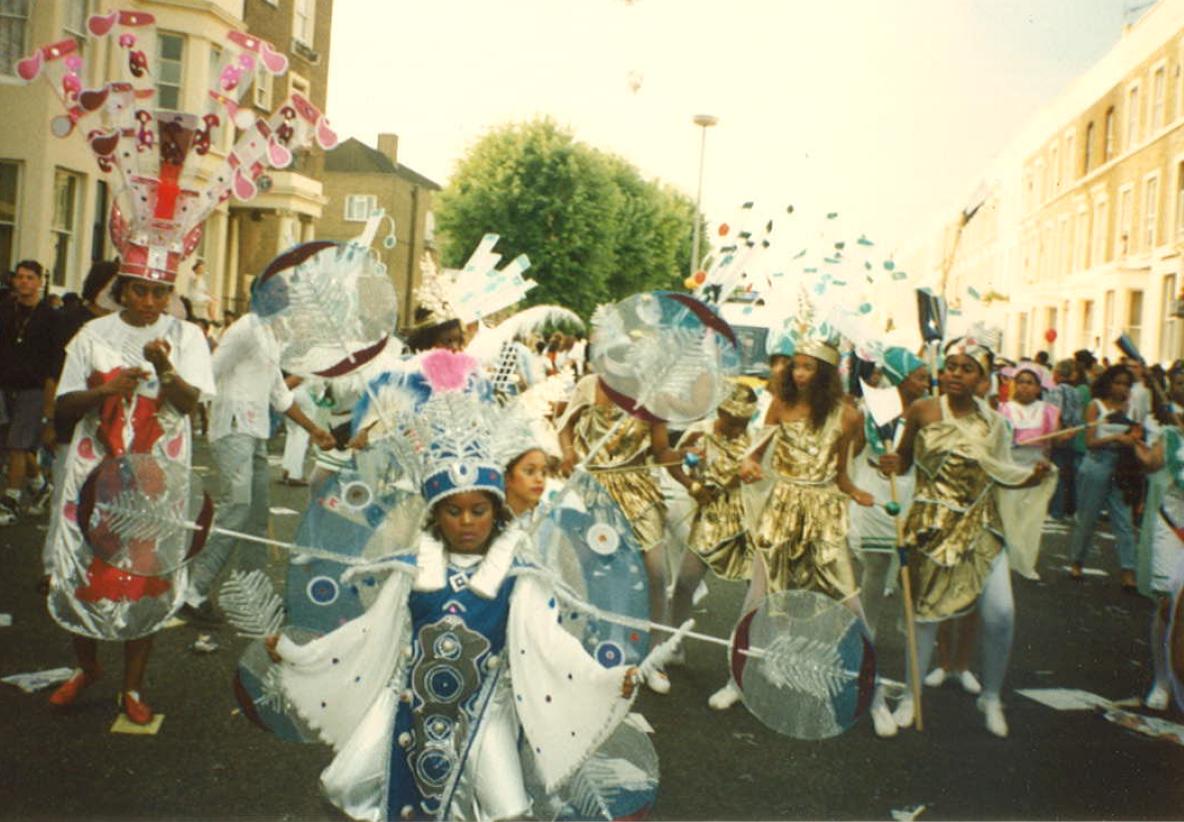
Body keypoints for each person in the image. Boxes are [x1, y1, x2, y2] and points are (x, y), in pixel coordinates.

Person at [264, 350, 645, 820]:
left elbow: (550, 644)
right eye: (453, 510)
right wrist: (298, 654)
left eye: (478, 510)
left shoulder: (519, 575)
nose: (466, 522)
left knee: (508, 810)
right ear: (435, 513)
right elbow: (368, 632)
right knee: (342, 783)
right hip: (405, 706)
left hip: (485, 714)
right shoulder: (412, 569)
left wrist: (606, 679)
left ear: (495, 510)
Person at [45, 272, 216, 724]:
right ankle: (88, 667)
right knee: (83, 565)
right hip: (94, 475)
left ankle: (132, 687)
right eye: (138, 289)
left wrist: (164, 367)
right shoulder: (92, 334)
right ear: (121, 290)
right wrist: (105, 390)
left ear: (170, 296)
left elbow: (189, 401)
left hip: (155, 476)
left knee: (145, 572)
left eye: (159, 292)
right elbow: (62, 405)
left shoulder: (187, 335)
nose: (148, 300)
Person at [881, 337, 1049, 737]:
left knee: (1001, 612)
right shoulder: (922, 410)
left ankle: (991, 697)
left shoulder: (995, 423)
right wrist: (890, 462)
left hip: (981, 525)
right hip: (930, 525)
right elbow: (903, 462)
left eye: (966, 368)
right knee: (924, 616)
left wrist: (1032, 477)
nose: (955, 373)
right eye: (951, 366)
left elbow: (1002, 473)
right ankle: (910, 696)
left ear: (983, 380)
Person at [732, 339, 897, 737]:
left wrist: (856, 491)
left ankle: (874, 697)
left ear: (824, 374)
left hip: (823, 514)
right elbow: (755, 453)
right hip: (782, 507)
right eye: (796, 367)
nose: (799, 374)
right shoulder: (780, 404)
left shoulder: (848, 415)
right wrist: (749, 464)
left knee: (850, 604)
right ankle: (735, 680)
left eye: (808, 368)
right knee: (758, 597)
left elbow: (841, 474)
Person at [182, 312, 335, 622]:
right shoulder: (245, 329)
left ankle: (250, 595)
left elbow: (279, 393)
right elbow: (209, 371)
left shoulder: (269, 335)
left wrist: (314, 431)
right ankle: (192, 592)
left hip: (256, 432)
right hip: (233, 428)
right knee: (237, 508)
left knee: (256, 517)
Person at [557, 373, 688, 693]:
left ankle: (653, 656)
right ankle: (591, 653)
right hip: (592, 490)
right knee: (592, 575)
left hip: (637, 492)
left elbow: (661, 451)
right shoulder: (588, 385)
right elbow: (565, 428)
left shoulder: (651, 392)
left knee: (655, 573)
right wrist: (568, 453)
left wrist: (690, 464)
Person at [37, 260, 119, 587]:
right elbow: (53, 376)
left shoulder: (121, 326)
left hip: (110, 428)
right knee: (66, 497)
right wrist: (49, 421)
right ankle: (52, 567)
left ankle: (87, 564)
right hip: (73, 421)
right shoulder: (74, 322)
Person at [847, 346, 929, 637]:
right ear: (900, 378)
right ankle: (867, 631)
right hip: (876, 488)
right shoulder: (871, 408)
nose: (925, 384)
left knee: (914, 565)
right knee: (877, 564)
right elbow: (852, 448)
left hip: (913, 489)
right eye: (919, 378)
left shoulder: (928, 412)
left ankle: (909, 623)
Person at [668, 383, 757, 632]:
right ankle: (673, 643)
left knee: (756, 588)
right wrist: (692, 485)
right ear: (720, 413)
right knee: (685, 583)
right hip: (711, 516)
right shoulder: (700, 432)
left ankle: (749, 647)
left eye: (744, 422)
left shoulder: (754, 440)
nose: (738, 429)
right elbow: (673, 462)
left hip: (746, 518)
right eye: (732, 422)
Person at [1133, 364, 1184, 710]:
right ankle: (1162, 680)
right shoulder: (1169, 432)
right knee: (1166, 604)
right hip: (1172, 524)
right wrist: (1137, 441)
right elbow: (1151, 464)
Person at [1067, 365, 1143, 590]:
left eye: (1126, 384)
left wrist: (1132, 439)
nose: (1121, 388)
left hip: (1122, 468)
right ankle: (1076, 562)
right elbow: (1089, 442)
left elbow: (1138, 436)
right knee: (1087, 517)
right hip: (1096, 465)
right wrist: (1116, 438)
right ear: (1108, 383)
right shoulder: (1095, 406)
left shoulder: (1131, 409)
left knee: (1124, 521)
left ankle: (1128, 571)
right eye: (1117, 382)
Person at [0, 260, 56, 525]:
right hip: (5, 384)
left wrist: (49, 402)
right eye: (20, 277)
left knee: (18, 444)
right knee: (14, 445)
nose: (23, 282)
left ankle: (9, 502)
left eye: (30, 277)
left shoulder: (48, 316)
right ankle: (41, 485)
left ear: (39, 282)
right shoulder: (5, 309)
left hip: (33, 387)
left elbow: (53, 360)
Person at [997, 362, 1063, 580]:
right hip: (1011, 469)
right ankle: (1003, 561)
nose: (1025, 387)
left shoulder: (1049, 412)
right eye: (1021, 382)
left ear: (1038, 387)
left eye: (1030, 383)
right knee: (1007, 516)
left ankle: (1025, 562)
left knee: (1031, 518)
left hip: (1035, 469)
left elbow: (1051, 444)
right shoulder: (1003, 409)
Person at [1047, 358, 1086, 520]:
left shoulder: (1055, 391)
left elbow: (1054, 413)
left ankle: (1056, 510)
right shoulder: (1076, 392)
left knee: (1057, 473)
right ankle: (1070, 510)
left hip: (1059, 434)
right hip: (1072, 434)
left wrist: (1056, 432)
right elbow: (1078, 415)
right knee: (1069, 474)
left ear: (1056, 374)